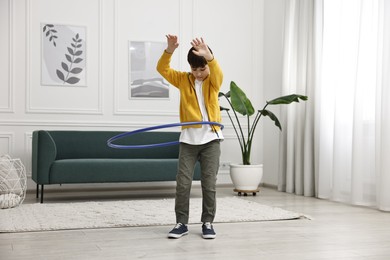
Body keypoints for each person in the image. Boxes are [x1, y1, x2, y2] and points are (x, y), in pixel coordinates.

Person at [156, 35, 224, 239]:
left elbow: (218, 72)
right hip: (188, 140)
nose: (198, 73)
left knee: (209, 184)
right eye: (195, 69)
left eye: (202, 69)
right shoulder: (183, 80)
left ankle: (207, 222)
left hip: (211, 139)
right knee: (183, 183)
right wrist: (169, 50)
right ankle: (181, 223)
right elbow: (162, 70)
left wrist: (209, 56)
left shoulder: (213, 81)